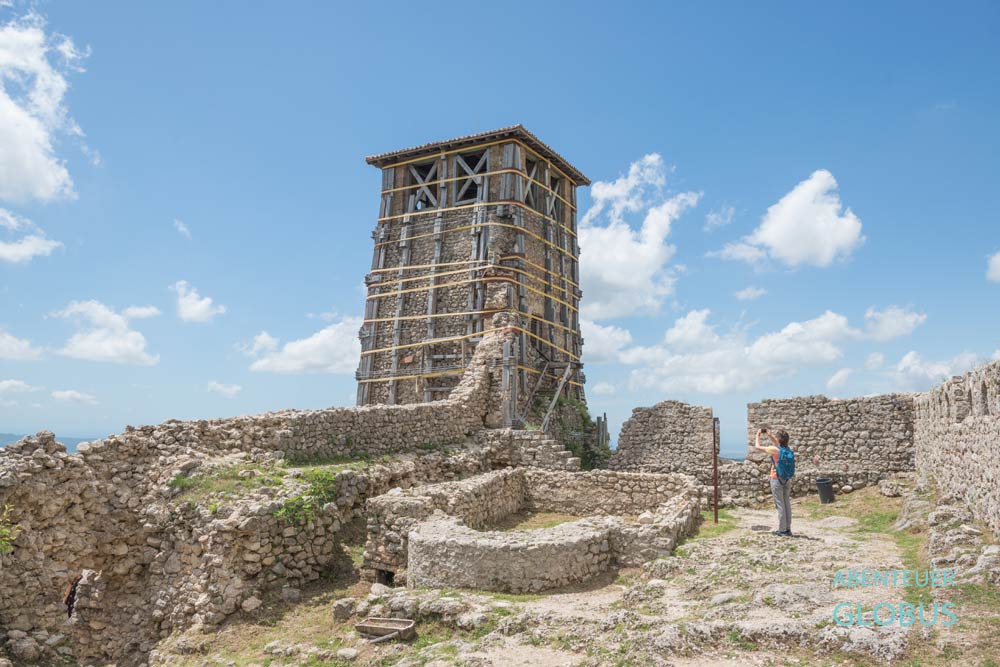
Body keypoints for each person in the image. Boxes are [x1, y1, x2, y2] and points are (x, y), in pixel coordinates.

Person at [754, 427, 793, 536]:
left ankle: (782, 530)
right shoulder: (787, 449)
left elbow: (757, 447)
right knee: (786, 503)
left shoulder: (774, 450)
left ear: (779, 439)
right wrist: (770, 435)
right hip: (787, 479)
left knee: (780, 504)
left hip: (776, 479)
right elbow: (778, 444)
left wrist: (758, 435)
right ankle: (788, 528)